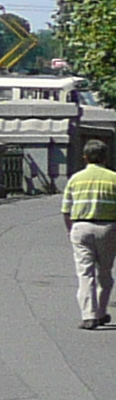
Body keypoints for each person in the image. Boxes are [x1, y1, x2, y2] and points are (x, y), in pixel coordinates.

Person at [66, 135, 116, 330]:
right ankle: (102, 311)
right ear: (105, 158)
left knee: (85, 274)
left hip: (81, 226)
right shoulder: (113, 178)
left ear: (85, 157)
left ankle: (89, 316)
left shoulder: (75, 179)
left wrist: (72, 230)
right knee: (105, 273)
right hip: (108, 228)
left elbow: (66, 209)